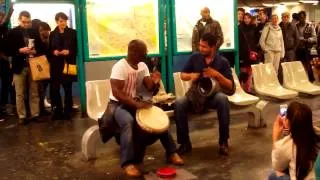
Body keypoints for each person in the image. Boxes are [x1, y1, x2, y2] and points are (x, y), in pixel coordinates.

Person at [99, 39, 183, 177]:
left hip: (135, 101)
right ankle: (128, 163)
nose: (145, 57)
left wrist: (155, 81)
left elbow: (149, 87)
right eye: (143, 54)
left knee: (158, 118)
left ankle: (171, 152)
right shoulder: (120, 67)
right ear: (133, 53)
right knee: (128, 122)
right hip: (118, 104)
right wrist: (136, 105)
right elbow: (117, 93)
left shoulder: (142, 65)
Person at [174, 32, 235, 156]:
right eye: (200, 45)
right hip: (196, 95)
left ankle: (223, 142)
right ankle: (185, 143)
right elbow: (182, 75)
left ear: (212, 47)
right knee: (179, 103)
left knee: (223, 99)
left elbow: (230, 86)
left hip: (212, 97)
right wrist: (191, 75)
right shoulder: (195, 57)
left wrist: (217, 74)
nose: (200, 48)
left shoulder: (222, 61)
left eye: (204, 46)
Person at [6, 11, 42, 124]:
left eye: (28, 22)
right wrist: (19, 50)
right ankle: (22, 116)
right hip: (19, 65)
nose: (26, 24)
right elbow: (6, 50)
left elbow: (41, 47)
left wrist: (35, 51)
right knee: (20, 93)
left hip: (33, 64)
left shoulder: (34, 32)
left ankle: (35, 114)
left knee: (34, 91)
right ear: (19, 20)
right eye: (24, 22)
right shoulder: (12, 32)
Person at [269, 102, 320, 180]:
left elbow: (277, 166)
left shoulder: (285, 145)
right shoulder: (317, 135)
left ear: (287, 121)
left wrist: (275, 136)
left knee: (273, 175)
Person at [49, 12, 77, 120]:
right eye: (61, 21)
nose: (63, 23)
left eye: (65, 21)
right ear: (56, 21)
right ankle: (58, 110)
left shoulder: (73, 33)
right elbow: (50, 49)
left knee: (68, 88)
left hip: (68, 63)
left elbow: (75, 49)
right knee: (55, 88)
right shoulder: (52, 34)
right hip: (56, 64)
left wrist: (69, 51)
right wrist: (54, 52)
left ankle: (68, 110)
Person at [239, 13, 258, 93]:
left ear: (250, 19)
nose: (246, 20)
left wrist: (255, 51)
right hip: (243, 53)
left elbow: (256, 40)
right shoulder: (239, 28)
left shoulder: (253, 28)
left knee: (250, 72)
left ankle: (248, 89)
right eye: (245, 18)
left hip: (251, 53)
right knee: (243, 72)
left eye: (248, 18)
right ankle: (241, 89)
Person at [0, 3, 14, 115]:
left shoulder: (6, 32)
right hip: (3, 61)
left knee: (6, 84)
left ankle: (3, 106)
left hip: (5, 64)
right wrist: (11, 8)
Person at [296, 11, 317, 82]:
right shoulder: (296, 26)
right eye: (300, 17)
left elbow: (314, 37)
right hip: (297, 49)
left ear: (305, 17)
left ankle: (311, 80)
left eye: (303, 17)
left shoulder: (310, 26)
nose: (301, 19)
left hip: (306, 48)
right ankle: (300, 80)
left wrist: (306, 40)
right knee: (298, 65)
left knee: (308, 65)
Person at [37, 22, 51, 116]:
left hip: (48, 67)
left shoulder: (49, 40)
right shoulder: (38, 41)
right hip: (40, 67)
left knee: (43, 88)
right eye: (42, 30)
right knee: (40, 89)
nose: (44, 32)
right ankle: (40, 110)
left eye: (45, 30)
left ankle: (42, 108)